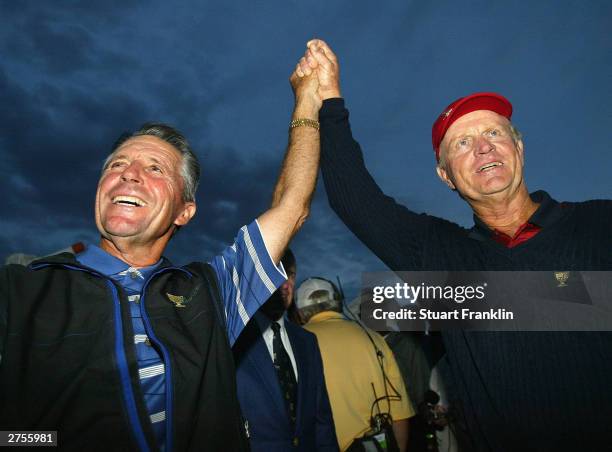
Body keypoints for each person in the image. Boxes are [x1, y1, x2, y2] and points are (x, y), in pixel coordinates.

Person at [294, 39, 612, 451]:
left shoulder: (599, 224)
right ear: (445, 176)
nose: (482, 146)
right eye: (461, 143)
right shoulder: (441, 256)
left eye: (494, 132)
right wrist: (327, 102)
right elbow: (355, 199)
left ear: (518, 148)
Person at [0, 53, 323, 451]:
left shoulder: (210, 291)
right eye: (116, 164)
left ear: (184, 211)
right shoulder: (22, 293)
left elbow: (291, 208)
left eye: (155, 168)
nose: (129, 173)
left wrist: (307, 100)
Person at [233, 250, 338, 451]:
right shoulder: (233, 342)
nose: (285, 283)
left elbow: (322, 418)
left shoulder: (307, 341)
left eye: (290, 275)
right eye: (275, 272)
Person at [295, 277, 414, 452]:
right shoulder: (373, 338)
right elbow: (400, 413)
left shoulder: (294, 344)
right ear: (338, 301)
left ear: (300, 312)